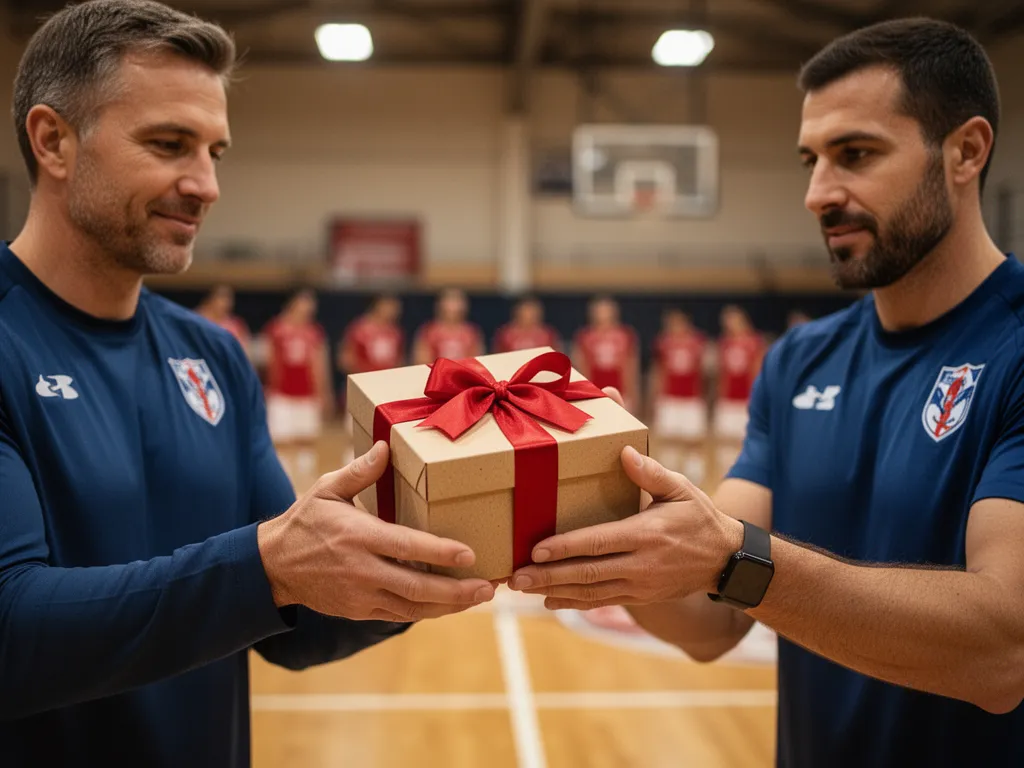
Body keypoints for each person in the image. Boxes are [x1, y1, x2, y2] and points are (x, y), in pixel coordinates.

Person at [508, 18, 1024, 768]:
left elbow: (1002, 650)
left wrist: (733, 559)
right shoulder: (799, 362)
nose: (818, 193)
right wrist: (588, 522)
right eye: (810, 160)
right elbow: (709, 621)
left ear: (966, 151)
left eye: (855, 155)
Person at [0, 3, 495, 766]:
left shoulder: (213, 357)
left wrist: (448, 550)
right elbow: (12, 633)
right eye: (169, 145)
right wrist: (266, 565)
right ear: (53, 140)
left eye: (216, 153)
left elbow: (295, 625)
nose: (205, 185)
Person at [262, 288, 332, 481]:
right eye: (304, 303)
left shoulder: (313, 332)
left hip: (307, 395)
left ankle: (305, 484)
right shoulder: (276, 329)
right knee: (281, 442)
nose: (308, 309)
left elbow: (319, 364)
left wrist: (323, 393)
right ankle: (282, 484)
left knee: (306, 442)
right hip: (282, 395)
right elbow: (271, 363)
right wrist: (270, 390)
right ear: (293, 304)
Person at [337, 293, 405, 462]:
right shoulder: (360, 329)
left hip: (386, 394)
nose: (394, 311)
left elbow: (398, 362)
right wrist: (363, 375)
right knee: (355, 437)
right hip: (363, 391)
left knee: (382, 440)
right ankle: (350, 472)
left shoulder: (395, 333)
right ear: (379, 305)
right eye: (390, 305)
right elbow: (345, 358)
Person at [649, 308, 710, 485]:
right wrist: (655, 397)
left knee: (694, 441)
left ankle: (695, 481)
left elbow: (705, 373)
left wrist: (704, 397)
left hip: (692, 399)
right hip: (669, 399)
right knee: (668, 440)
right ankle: (670, 480)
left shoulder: (698, 342)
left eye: (677, 322)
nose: (673, 326)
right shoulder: (663, 342)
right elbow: (658, 371)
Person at [711, 304, 764, 478]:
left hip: (745, 401)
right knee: (725, 442)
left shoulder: (754, 342)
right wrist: (719, 398)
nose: (728, 324)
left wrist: (755, 399)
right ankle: (725, 476)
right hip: (727, 401)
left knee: (745, 442)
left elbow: (757, 373)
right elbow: (722, 374)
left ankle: (744, 477)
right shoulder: (724, 343)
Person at [572, 295, 640, 414]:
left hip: (621, 392)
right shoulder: (585, 336)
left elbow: (630, 367)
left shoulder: (625, 335)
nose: (603, 314)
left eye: (606, 310)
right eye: (600, 310)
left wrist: (633, 393)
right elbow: (582, 367)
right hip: (594, 393)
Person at [412, 287, 484, 365]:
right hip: (436, 374)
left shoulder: (471, 332)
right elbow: (421, 361)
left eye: (457, 301)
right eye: (449, 301)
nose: (453, 306)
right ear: (440, 305)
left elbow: (477, 361)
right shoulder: (429, 331)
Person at [196, 283, 251, 357]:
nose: (226, 303)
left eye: (229, 299)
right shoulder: (197, 320)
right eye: (221, 298)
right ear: (210, 300)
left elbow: (243, 351)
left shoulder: (235, 324)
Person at [492, 296, 561, 353]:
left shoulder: (548, 333)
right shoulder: (506, 333)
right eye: (526, 311)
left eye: (532, 312)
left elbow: (558, 356)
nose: (529, 316)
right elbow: (497, 356)